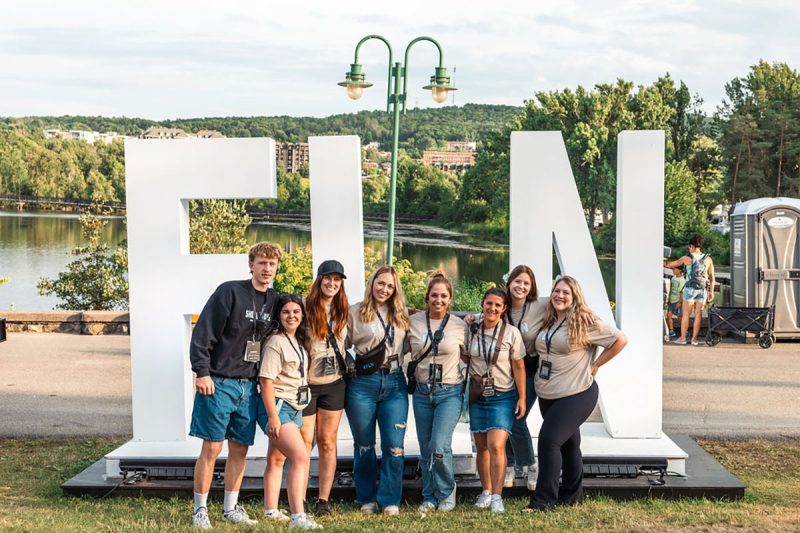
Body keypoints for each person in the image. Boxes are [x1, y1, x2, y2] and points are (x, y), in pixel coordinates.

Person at [188, 241, 281, 529]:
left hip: (249, 386)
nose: (266, 269)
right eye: (261, 263)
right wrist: (201, 372)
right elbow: (203, 332)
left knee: (239, 449)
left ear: (277, 268)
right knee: (212, 448)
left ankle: (230, 507)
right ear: (251, 264)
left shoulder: (275, 301)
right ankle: (200, 509)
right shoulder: (230, 291)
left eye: (272, 264)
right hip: (219, 382)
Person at [525, 276, 628, 512]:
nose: (560, 296)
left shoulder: (585, 321)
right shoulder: (548, 318)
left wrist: (596, 365)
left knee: (548, 441)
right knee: (569, 446)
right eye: (557, 291)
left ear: (575, 298)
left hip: (577, 393)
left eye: (566, 293)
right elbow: (526, 301)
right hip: (548, 393)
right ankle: (572, 497)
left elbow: (620, 340)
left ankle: (543, 501)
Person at [345, 265, 410, 516]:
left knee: (395, 445)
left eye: (390, 286)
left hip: (394, 382)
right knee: (364, 445)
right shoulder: (354, 312)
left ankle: (390, 499)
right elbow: (341, 345)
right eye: (380, 283)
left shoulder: (401, 313)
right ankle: (367, 498)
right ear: (372, 283)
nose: (384, 289)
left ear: (396, 290)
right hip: (363, 384)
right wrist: (352, 365)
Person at [258, 294, 322, 530]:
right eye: (286, 312)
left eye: (296, 311)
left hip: (294, 406)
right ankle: (298, 517)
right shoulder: (276, 342)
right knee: (301, 456)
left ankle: (271, 510)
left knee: (276, 459)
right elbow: (266, 381)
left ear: (302, 314)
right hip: (278, 406)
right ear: (278, 315)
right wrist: (273, 416)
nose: (291, 316)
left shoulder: (296, 339)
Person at [405, 271, 466, 513]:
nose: (438, 300)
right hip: (422, 392)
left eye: (443, 296)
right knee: (425, 448)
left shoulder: (461, 326)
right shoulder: (414, 322)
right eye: (434, 295)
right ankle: (428, 495)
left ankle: (447, 493)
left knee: (440, 446)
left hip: (449, 391)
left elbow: (474, 353)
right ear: (427, 297)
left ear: (450, 299)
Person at [464, 287, 525, 513]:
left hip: (503, 394)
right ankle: (486, 491)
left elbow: (518, 366)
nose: (492, 308)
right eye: (489, 303)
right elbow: (464, 354)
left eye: (497, 305)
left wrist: (522, 398)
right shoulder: (472, 328)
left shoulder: (511, 333)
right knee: (481, 447)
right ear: (483, 304)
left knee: (496, 445)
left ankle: (498, 496)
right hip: (479, 394)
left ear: (504, 308)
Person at [299, 260, 349, 517]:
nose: (332, 283)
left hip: (334, 384)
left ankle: (323, 500)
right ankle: (300, 495)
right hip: (307, 384)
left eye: (337, 280)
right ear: (319, 280)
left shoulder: (343, 311)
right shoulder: (305, 308)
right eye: (328, 278)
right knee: (305, 442)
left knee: (328, 442)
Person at [665, 234, 715, 345]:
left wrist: (663, 262)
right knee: (698, 314)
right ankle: (694, 339)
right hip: (702, 290)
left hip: (689, 289)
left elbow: (671, 265)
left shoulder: (686, 258)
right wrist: (711, 291)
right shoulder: (708, 259)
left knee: (686, 314)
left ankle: (683, 338)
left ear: (691, 246)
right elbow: (712, 278)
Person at [665, 266, 686, 338]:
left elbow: (682, 292)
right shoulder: (673, 278)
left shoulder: (682, 280)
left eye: (675, 269)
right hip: (671, 300)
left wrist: (680, 302)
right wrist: (668, 299)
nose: (673, 270)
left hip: (678, 301)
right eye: (673, 269)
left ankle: (684, 330)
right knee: (668, 315)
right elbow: (670, 289)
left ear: (680, 270)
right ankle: (671, 331)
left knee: (680, 317)